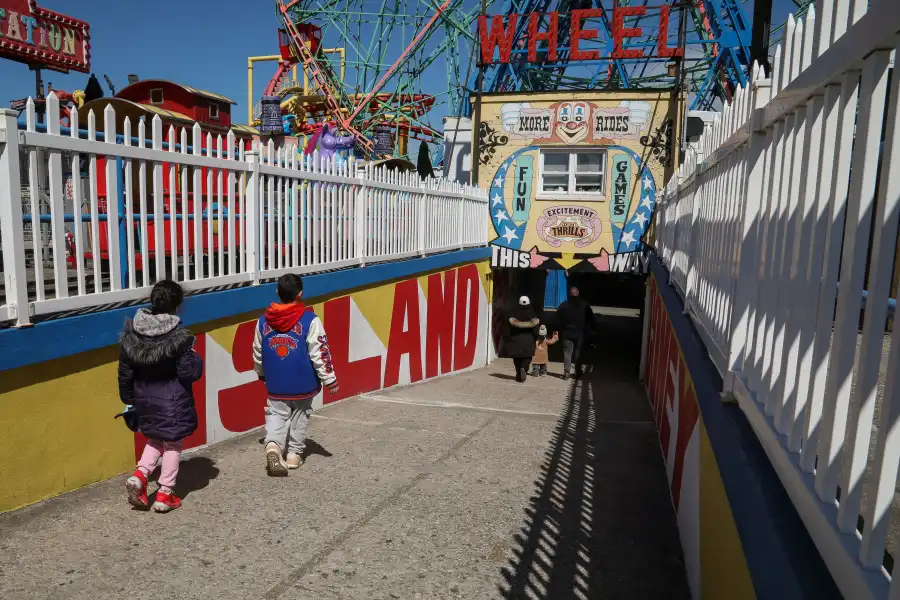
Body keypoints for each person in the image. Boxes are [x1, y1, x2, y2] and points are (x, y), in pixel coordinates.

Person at [120, 280, 203, 513]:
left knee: (155, 439)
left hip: (143, 399)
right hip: (172, 401)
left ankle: (140, 475)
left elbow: (125, 371)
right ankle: (165, 493)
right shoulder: (180, 337)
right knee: (173, 444)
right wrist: (194, 356)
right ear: (177, 306)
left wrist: (128, 400)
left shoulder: (132, 333)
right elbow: (189, 373)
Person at [253, 273, 339, 476]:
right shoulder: (310, 320)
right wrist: (329, 379)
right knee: (300, 416)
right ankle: (293, 455)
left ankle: (273, 446)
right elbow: (320, 351)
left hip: (276, 381)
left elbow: (258, 350)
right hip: (304, 382)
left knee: (276, 414)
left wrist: (261, 373)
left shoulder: (263, 321)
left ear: (277, 292)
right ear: (300, 294)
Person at [556, 286, 595, 380]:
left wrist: (557, 330)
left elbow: (557, 319)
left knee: (567, 353)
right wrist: (593, 330)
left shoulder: (563, 305)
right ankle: (578, 372)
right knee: (578, 352)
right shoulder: (585, 305)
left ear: (569, 294)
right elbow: (591, 319)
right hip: (579, 333)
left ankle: (566, 372)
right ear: (578, 293)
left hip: (566, 333)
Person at [505, 295, 540, 382]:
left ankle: (518, 373)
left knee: (517, 357)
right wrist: (537, 337)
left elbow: (507, 328)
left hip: (516, 339)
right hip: (529, 340)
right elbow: (535, 329)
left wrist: (508, 338)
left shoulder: (513, 313)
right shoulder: (532, 314)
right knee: (527, 357)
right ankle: (524, 368)